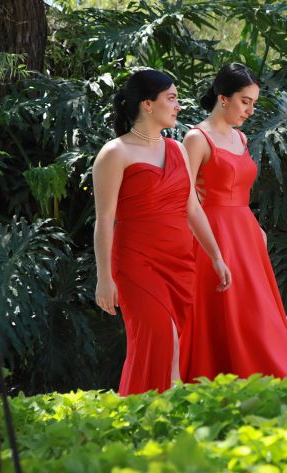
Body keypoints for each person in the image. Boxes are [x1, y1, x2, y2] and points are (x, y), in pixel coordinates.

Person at [93, 69, 231, 396]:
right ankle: (153, 420)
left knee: (173, 350)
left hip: (180, 263)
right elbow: (104, 218)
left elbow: (192, 208)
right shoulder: (115, 153)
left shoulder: (177, 149)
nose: (178, 106)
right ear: (147, 105)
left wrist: (216, 256)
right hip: (137, 264)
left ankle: (156, 421)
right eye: (171, 98)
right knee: (160, 341)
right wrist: (104, 277)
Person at [182, 63, 287, 382]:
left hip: (247, 237)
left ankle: (276, 381)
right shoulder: (196, 138)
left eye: (254, 103)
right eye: (245, 101)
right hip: (213, 235)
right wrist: (214, 252)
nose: (251, 110)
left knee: (257, 315)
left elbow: (241, 194)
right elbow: (185, 201)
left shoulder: (241, 139)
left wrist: (256, 228)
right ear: (223, 97)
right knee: (226, 315)